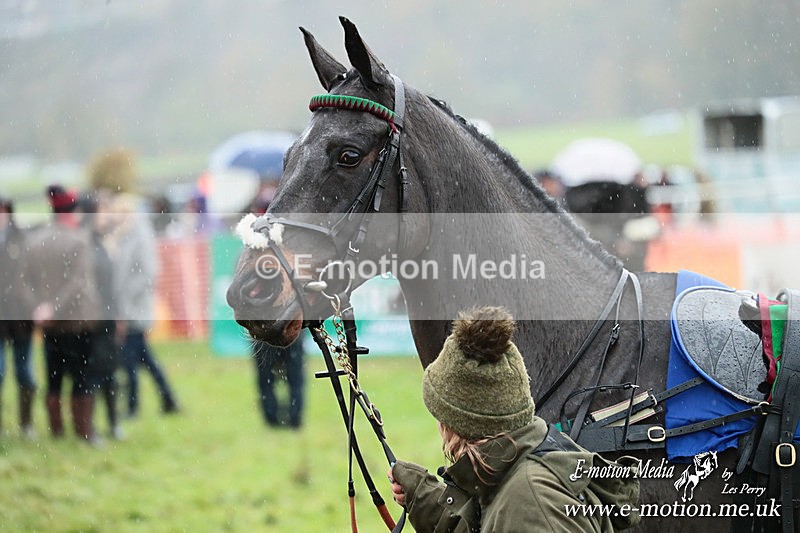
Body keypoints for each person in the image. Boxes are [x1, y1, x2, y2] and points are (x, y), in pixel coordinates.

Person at [387, 307, 640, 532]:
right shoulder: (507, 472)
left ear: (459, 424)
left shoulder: (531, 503)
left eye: (440, 414)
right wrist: (420, 494)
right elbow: (484, 521)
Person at [19, 186, 100, 444]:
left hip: (50, 325)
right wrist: (53, 306)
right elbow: (77, 283)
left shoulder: (33, 241)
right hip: (78, 322)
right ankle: (84, 432)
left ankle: (56, 432)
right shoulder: (79, 240)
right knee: (82, 377)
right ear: (71, 212)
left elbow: (22, 282)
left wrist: (40, 308)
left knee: (54, 378)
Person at [109, 193, 179, 417]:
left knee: (130, 360)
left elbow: (149, 273)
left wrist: (126, 299)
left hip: (135, 310)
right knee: (144, 358)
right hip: (126, 309)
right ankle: (168, 399)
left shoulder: (140, 234)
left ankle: (132, 407)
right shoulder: (122, 235)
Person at [77, 192, 124, 439]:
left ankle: (113, 424)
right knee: (92, 375)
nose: (106, 216)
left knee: (109, 374)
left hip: (106, 319)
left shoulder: (101, 241)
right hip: (92, 321)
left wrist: (117, 316)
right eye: (102, 211)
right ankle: (88, 429)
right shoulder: (85, 243)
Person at [0, 196, 36, 438]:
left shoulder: (22, 239)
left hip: (21, 317)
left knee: (24, 371)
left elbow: (30, 277)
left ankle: (26, 423)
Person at [253, 336, 305, 428]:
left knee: (266, 382)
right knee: (296, 380)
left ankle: (272, 418)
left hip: (264, 336)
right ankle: (294, 418)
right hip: (292, 336)